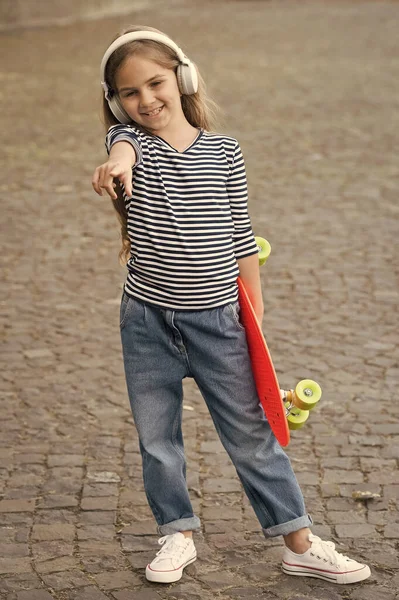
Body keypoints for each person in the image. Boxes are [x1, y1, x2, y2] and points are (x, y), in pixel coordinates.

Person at [92, 25, 371, 586]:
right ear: (116, 103)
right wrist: (118, 164)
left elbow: (242, 237)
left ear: (182, 77)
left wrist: (255, 320)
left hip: (219, 323)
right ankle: (177, 533)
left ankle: (298, 542)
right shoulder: (132, 146)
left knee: (252, 436)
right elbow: (119, 148)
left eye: (155, 83)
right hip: (146, 323)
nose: (146, 100)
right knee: (158, 440)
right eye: (129, 93)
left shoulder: (224, 151)